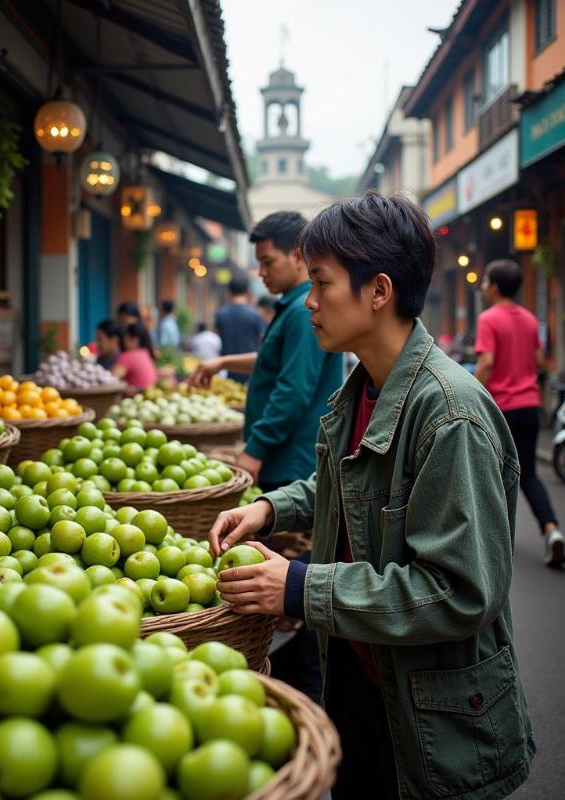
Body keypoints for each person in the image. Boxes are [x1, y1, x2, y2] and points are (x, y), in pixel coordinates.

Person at [207, 193, 535, 800]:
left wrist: (301, 588)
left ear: (378, 291)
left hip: (433, 715)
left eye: (322, 283)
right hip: (363, 677)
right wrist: (271, 507)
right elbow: (349, 485)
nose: (309, 302)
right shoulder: (363, 389)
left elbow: (459, 590)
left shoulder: (450, 416)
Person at [191, 211, 343, 701]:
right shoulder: (296, 309)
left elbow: (293, 389)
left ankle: (306, 697)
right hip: (289, 463)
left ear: (298, 255)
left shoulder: (303, 310)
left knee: (294, 592)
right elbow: (275, 363)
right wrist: (222, 362)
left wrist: (254, 452)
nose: (261, 271)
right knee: (291, 594)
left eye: (268, 260)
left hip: (293, 462)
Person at [475, 259, 565, 567]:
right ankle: (551, 529)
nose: (483, 287)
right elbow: (540, 359)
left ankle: (492, 546)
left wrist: (471, 394)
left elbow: (486, 362)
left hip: (501, 410)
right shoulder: (528, 319)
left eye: (486, 281)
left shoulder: (488, 319)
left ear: (496, 287)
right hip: (529, 407)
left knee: (492, 475)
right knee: (528, 473)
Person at [213, 273, 263, 383]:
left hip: (227, 367)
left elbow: (215, 337)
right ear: (247, 292)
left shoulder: (220, 314)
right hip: (249, 368)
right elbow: (262, 339)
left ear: (229, 291)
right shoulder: (254, 315)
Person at [111, 321, 157, 392]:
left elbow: (111, 380)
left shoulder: (128, 356)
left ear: (135, 340)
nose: (123, 342)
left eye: (125, 339)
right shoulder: (145, 353)